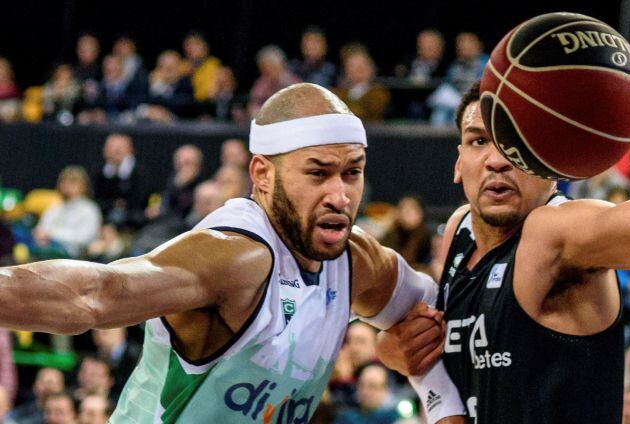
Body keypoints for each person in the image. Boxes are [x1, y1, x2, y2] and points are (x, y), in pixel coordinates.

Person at [0, 83, 463, 423]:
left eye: (352, 173)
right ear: (262, 174)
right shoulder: (235, 257)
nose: (340, 195)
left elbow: (439, 316)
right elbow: (94, 294)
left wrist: (440, 404)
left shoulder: (355, 260)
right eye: (318, 174)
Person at [378, 75, 630, 423]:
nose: (496, 160)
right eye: (479, 141)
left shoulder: (554, 231)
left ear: (548, 161)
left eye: (513, 141)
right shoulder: (459, 229)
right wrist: (402, 351)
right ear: (458, 163)